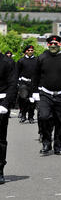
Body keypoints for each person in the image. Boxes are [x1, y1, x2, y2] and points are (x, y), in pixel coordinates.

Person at [33, 36, 61, 156]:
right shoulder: (41, 58)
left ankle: (57, 146)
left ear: (60, 44)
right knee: (43, 117)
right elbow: (35, 76)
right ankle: (46, 142)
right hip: (45, 94)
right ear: (48, 45)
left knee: (59, 122)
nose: (53, 45)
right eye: (51, 43)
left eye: (55, 43)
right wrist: (34, 92)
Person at [0, 52, 17, 184]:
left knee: (0, 139)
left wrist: (6, 104)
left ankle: (0, 169)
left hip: (1, 103)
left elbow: (12, 84)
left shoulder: (7, 62)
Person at [17, 45, 38, 124]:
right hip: (24, 82)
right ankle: (23, 115)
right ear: (26, 51)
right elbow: (17, 72)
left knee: (32, 101)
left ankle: (31, 116)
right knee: (24, 99)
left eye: (32, 50)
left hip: (33, 83)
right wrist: (17, 83)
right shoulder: (21, 60)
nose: (30, 51)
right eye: (28, 50)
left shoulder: (37, 60)